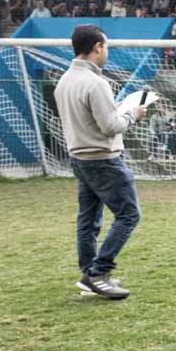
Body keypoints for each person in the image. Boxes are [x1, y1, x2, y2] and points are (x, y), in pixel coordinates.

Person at [53, 25, 147, 299]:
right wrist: (133, 114)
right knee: (129, 214)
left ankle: (88, 274)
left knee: (88, 219)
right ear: (96, 47)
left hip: (79, 159)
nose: (106, 52)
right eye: (105, 47)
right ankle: (99, 272)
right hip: (103, 160)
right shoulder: (95, 83)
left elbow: (87, 120)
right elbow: (110, 126)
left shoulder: (65, 80)